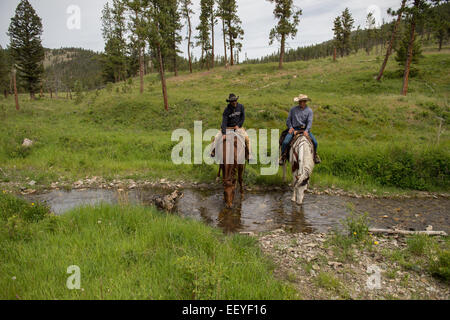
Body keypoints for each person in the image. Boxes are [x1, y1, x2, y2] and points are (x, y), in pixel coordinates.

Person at [280, 94, 321, 165]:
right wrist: (291, 128)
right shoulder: (293, 110)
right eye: (300, 101)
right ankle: (282, 156)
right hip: (294, 129)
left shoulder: (309, 111)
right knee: (285, 142)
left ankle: (315, 155)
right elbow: (288, 120)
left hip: (304, 129)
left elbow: (309, 122)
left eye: (303, 101)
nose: (301, 103)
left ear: (305, 102)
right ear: (298, 102)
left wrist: (306, 130)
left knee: (315, 142)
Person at [211, 93, 252, 161]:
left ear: (236, 100)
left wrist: (238, 125)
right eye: (232, 101)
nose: (234, 102)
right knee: (216, 138)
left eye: (235, 100)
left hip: (238, 128)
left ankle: (249, 154)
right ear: (229, 102)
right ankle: (213, 151)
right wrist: (224, 133)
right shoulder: (226, 110)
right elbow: (224, 122)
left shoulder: (241, 107)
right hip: (228, 128)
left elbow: (243, 117)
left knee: (247, 139)